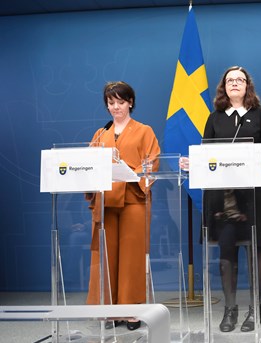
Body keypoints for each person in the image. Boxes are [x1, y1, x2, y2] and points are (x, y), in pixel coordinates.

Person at [183, 66, 261, 332]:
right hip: (223, 197)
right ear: (223, 87)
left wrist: (260, 164)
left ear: (247, 86)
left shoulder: (259, 114)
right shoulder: (215, 117)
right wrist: (194, 163)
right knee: (227, 250)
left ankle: (254, 308)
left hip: (253, 195)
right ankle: (229, 309)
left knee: (253, 249)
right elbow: (207, 154)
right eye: (230, 80)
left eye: (240, 80)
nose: (235, 84)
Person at [86, 81, 160, 330]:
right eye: (111, 103)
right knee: (107, 257)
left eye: (120, 101)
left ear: (130, 102)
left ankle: (131, 312)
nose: (116, 107)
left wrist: (130, 173)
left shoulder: (144, 131)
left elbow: (151, 162)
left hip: (132, 200)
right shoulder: (100, 134)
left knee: (131, 257)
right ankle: (109, 310)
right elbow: (89, 166)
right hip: (106, 202)